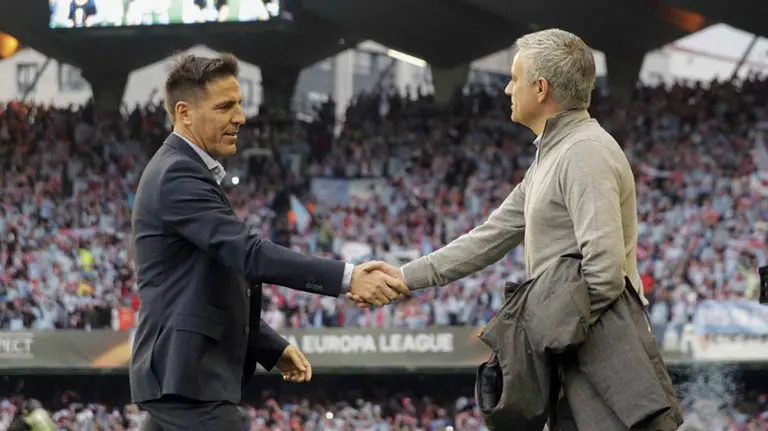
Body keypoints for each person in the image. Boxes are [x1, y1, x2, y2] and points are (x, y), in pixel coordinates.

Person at [350, 29, 681, 428]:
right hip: (576, 345)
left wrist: (543, 331)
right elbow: (490, 236)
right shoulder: (553, 155)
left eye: (514, 78)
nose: (508, 89)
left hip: (600, 351)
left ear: (540, 88)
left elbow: (606, 273)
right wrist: (403, 277)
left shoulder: (584, 152)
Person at [130, 53, 408, 431]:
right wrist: (348, 278)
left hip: (182, 381)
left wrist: (270, 347)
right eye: (226, 106)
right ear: (185, 113)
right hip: (188, 380)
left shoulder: (183, 170)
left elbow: (208, 285)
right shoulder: (177, 173)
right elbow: (249, 254)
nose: (240, 117)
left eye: (240, 104)